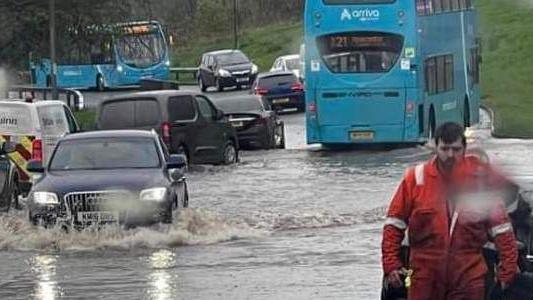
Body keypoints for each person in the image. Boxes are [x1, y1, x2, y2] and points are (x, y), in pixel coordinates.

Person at [382, 122, 518, 300]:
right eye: (445, 149)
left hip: (468, 274)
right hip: (424, 275)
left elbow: (501, 229)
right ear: (435, 147)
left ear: (464, 148)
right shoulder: (415, 179)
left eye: (456, 149)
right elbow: (394, 224)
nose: (450, 155)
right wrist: (391, 264)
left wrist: (508, 268)